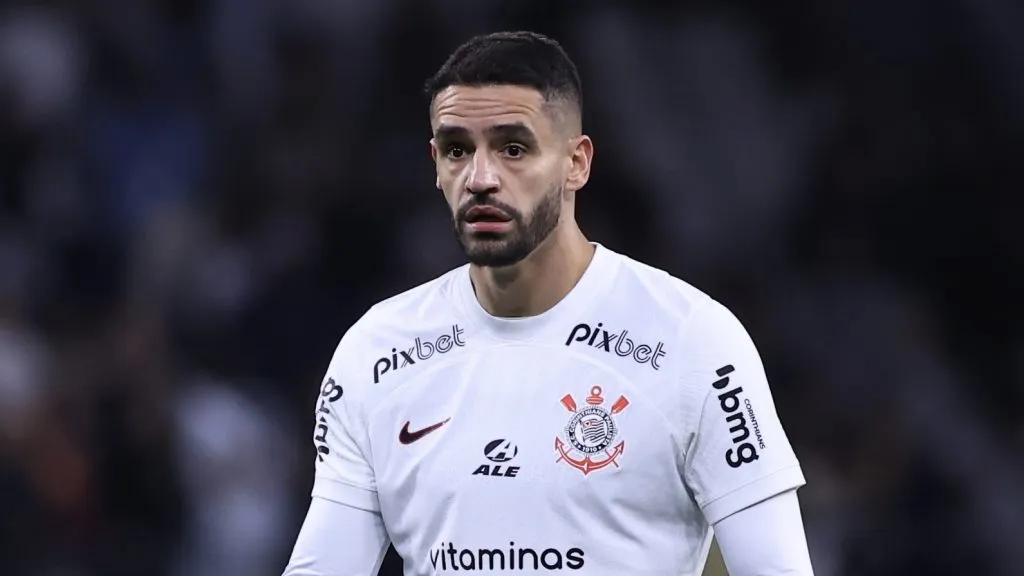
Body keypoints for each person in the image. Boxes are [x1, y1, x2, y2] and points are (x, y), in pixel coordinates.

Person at [283, 31, 814, 576]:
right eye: (457, 150)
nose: (481, 179)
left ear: (576, 163)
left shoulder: (692, 342)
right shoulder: (376, 351)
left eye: (514, 148)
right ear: (435, 163)